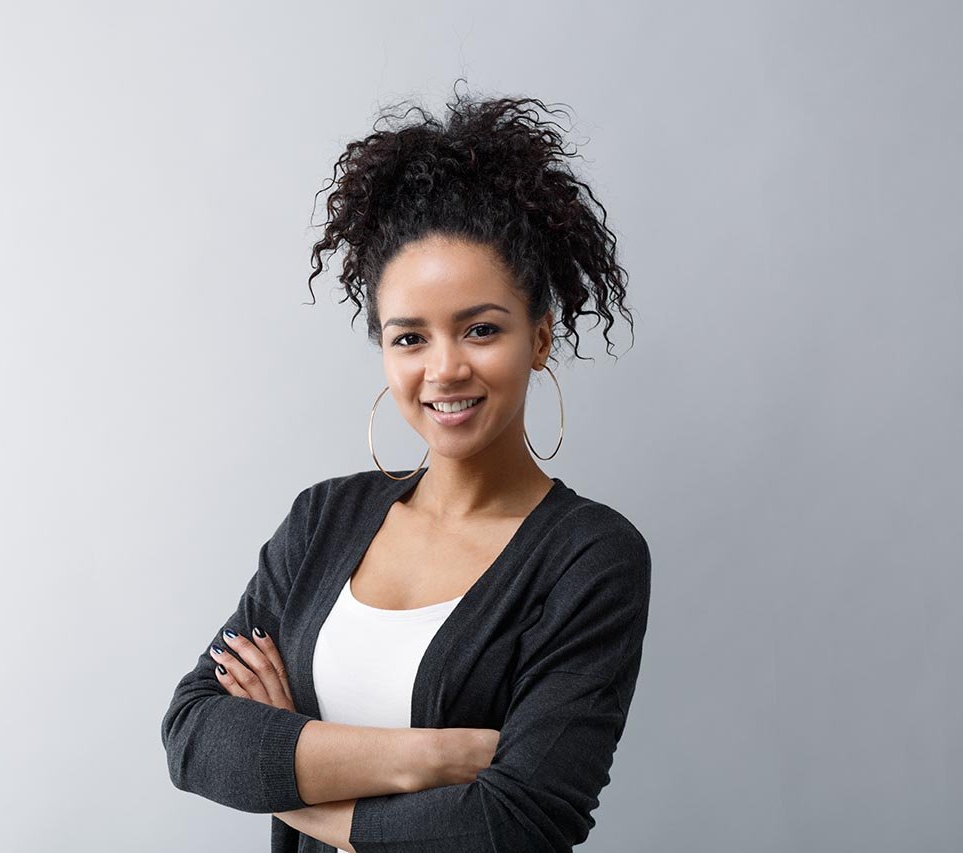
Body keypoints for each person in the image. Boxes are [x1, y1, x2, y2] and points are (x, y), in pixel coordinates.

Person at [161, 81, 651, 853]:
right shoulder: (322, 520)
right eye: (409, 337)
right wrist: (433, 757)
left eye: (480, 329)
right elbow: (194, 735)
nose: (444, 369)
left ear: (542, 337)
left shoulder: (589, 558)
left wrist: (298, 769)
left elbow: (516, 821)